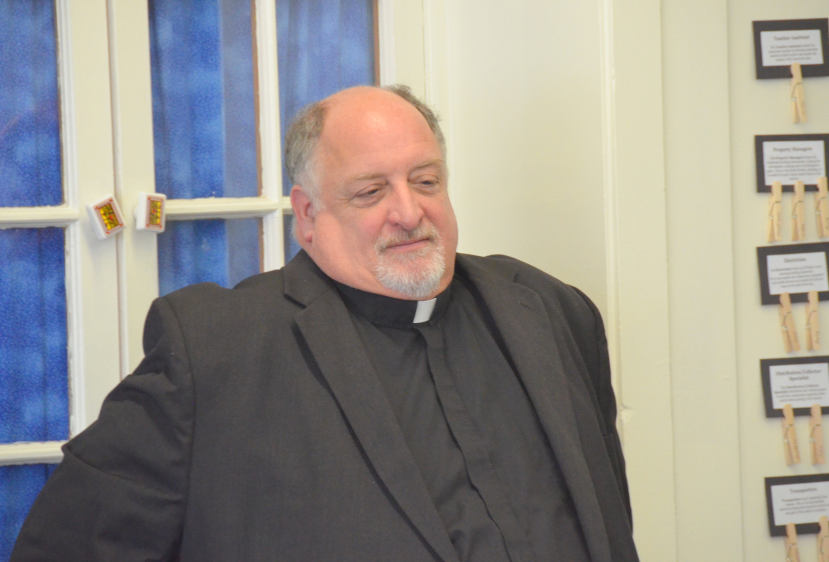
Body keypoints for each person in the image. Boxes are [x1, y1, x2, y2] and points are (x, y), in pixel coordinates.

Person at [11, 85, 639, 562]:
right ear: (307, 215)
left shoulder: (552, 312)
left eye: (426, 181)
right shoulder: (213, 352)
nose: (408, 212)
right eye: (370, 192)